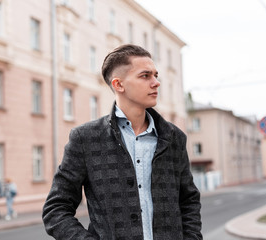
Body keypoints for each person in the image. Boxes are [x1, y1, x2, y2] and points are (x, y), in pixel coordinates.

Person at [42, 44, 202, 239]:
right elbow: (56, 209)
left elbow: (189, 201)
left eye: (155, 75)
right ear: (119, 84)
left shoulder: (173, 137)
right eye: (145, 76)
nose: (156, 82)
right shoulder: (86, 139)